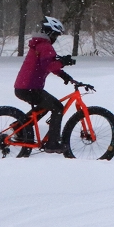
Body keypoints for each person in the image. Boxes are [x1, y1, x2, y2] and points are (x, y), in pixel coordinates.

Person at [14, 16, 90, 153]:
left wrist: (64, 75)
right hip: (31, 88)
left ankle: (19, 127)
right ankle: (52, 143)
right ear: (50, 33)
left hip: (23, 87)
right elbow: (49, 65)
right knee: (57, 107)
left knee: (45, 106)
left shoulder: (39, 44)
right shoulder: (45, 45)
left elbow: (48, 65)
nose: (56, 38)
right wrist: (63, 62)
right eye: (55, 35)